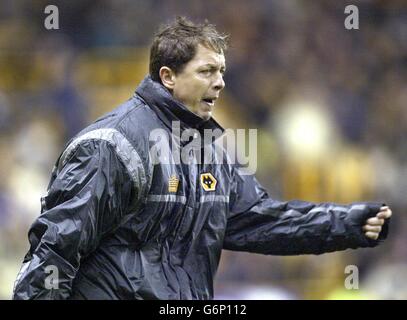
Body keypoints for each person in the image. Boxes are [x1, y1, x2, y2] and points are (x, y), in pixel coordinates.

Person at [13, 17, 392, 300]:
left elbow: (263, 222)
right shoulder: (112, 145)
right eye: (207, 70)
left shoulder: (211, 153)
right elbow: (55, 250)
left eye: (222, 71)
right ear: (168, 77)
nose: (221, 82)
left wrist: (348, 223)